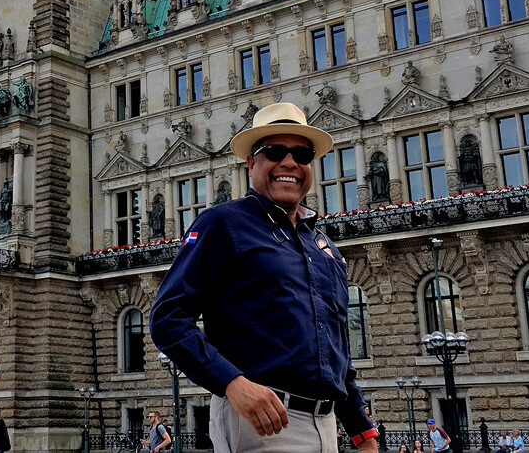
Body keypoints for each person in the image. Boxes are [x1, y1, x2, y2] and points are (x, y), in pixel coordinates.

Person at [149, 103, 377, 453]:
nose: (289, 162)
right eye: (274, 151)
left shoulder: (323, 244)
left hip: (328, 425)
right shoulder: (222, 224)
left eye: (302, 153)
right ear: (251, 162)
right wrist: (232, 383)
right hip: (261, 421)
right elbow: (168, 319)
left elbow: (335, 348)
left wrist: (362, 432)